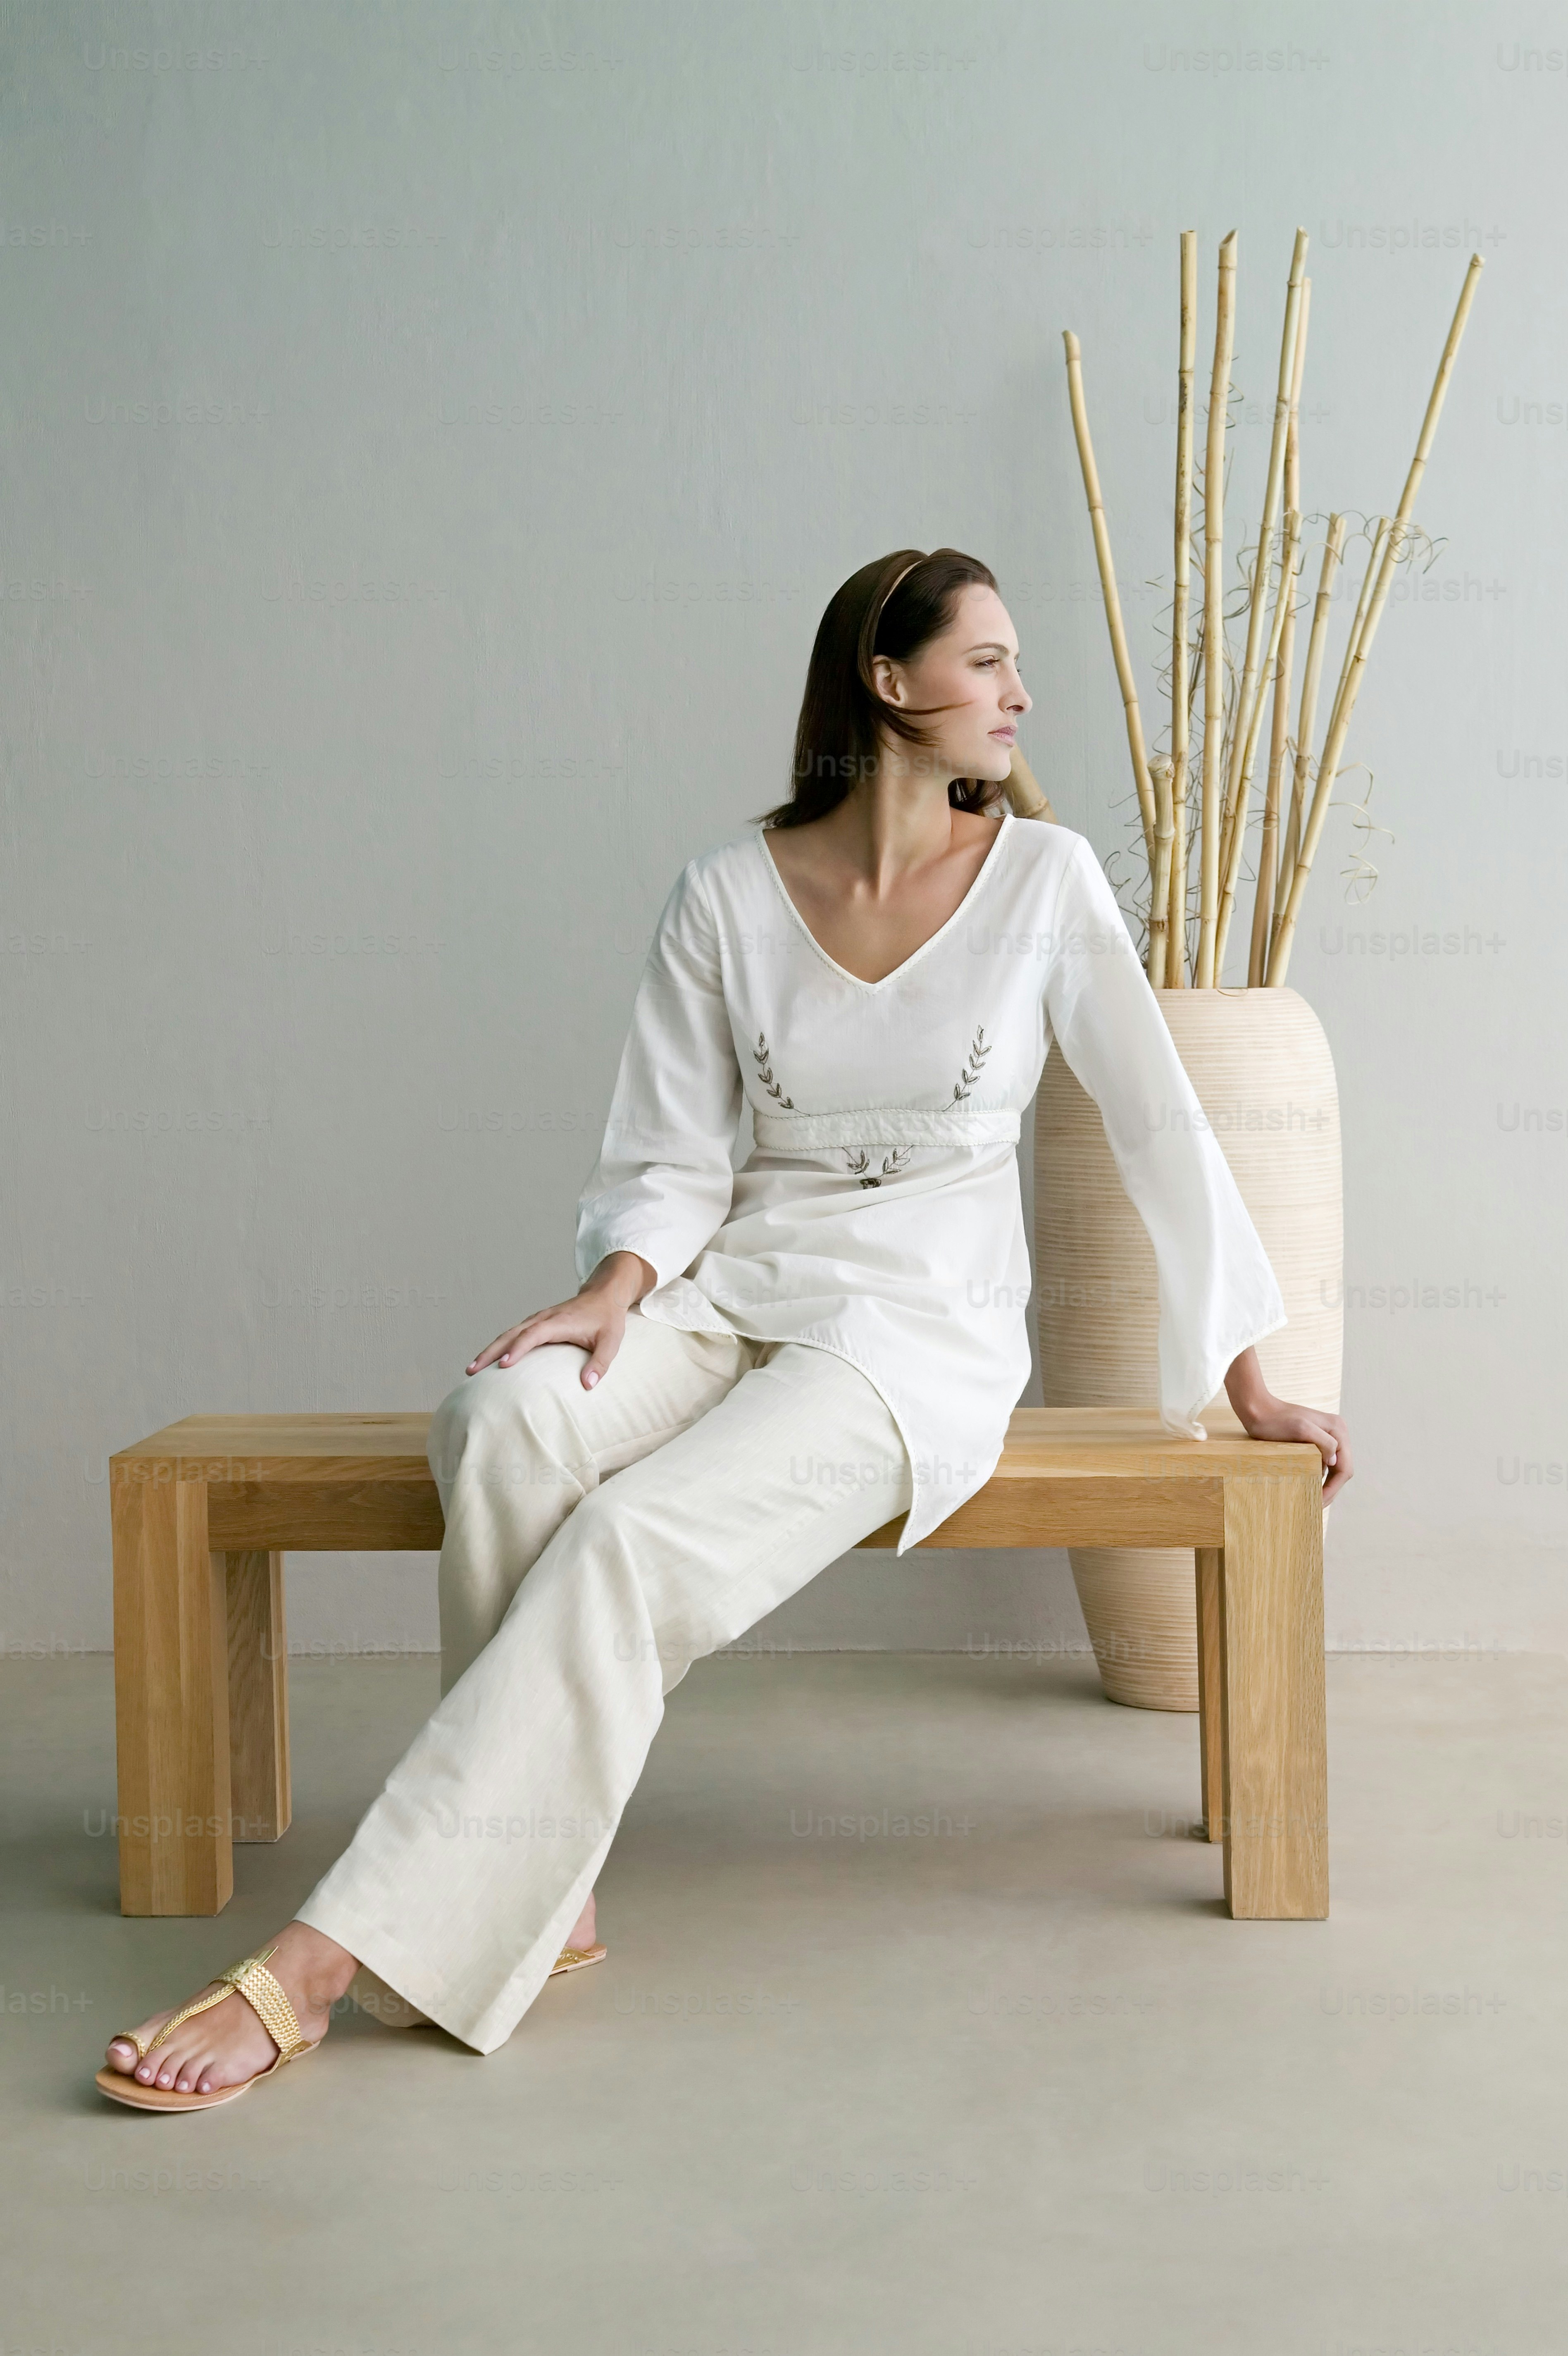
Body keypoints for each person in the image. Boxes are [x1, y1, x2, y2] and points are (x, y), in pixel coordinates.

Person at [98, 546, 1351, 2107]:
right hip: (733, 1287)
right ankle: (534, 1896)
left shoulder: (1046, 882)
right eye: (987, 662)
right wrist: (611, 1290)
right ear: (888, 685)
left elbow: (1164, 1129)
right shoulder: (725, 891)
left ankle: (326, 1956)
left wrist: (1252, 1375)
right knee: (503, 1420)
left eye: (1015, 665)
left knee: (630, 1543)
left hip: (917, 1335)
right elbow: (673, 1157)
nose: (1022, 693)